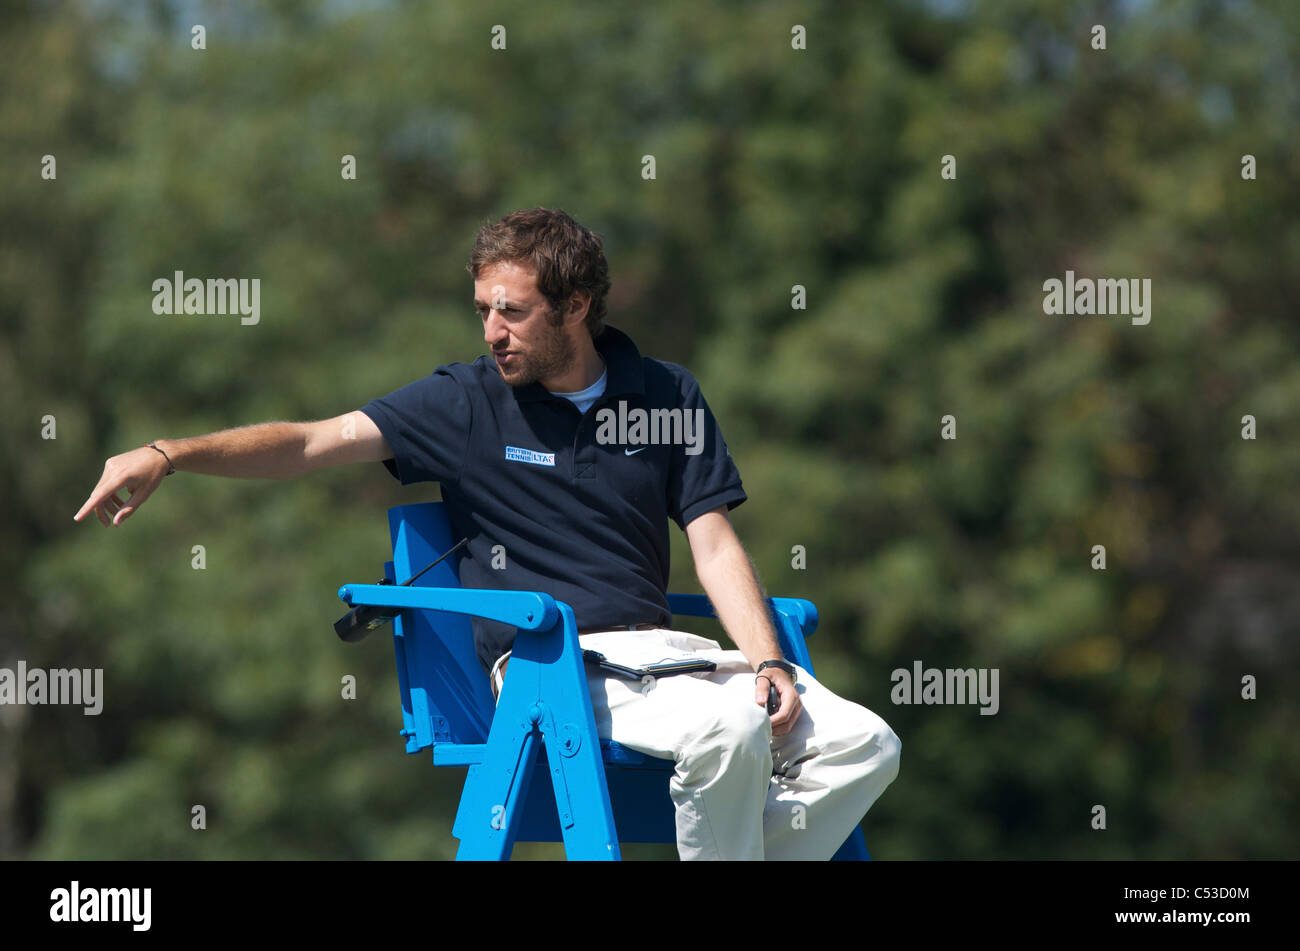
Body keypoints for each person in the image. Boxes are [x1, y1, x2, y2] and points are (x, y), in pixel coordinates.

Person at [75, 207, 900, 860]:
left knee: (866, 741)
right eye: (482, 310)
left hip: (671, 663)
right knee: (731, 730)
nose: (491, 331)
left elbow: (713, 543)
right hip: (554, 671)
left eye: (511, 311)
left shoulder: (664, 393)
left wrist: (766, 660)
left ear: (575, 307)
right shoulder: (463, 403)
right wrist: (169, 453)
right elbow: (310, 442)